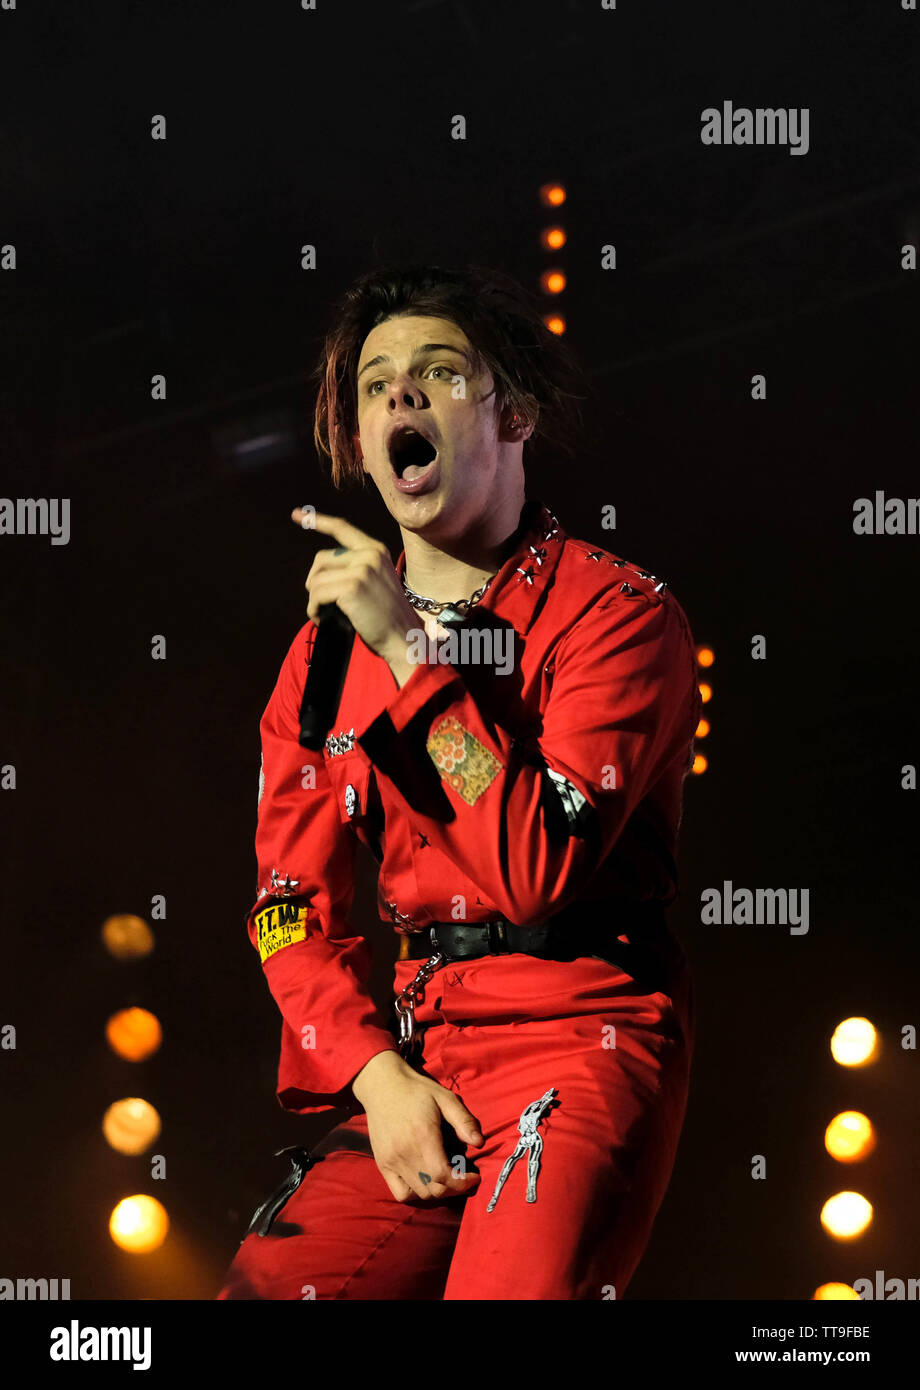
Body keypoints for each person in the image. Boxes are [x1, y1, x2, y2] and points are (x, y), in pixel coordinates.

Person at [217, 263, 701, 1301]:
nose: (399, 393)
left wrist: (406, 652)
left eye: (439, 372)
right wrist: (372, 1074)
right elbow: (283, 912)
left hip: (580, 1039)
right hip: (419, 1058)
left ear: (514, 413)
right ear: (356, 439)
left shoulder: (618, 617)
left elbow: (534, 867)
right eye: (374, 382)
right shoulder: (316, 663)